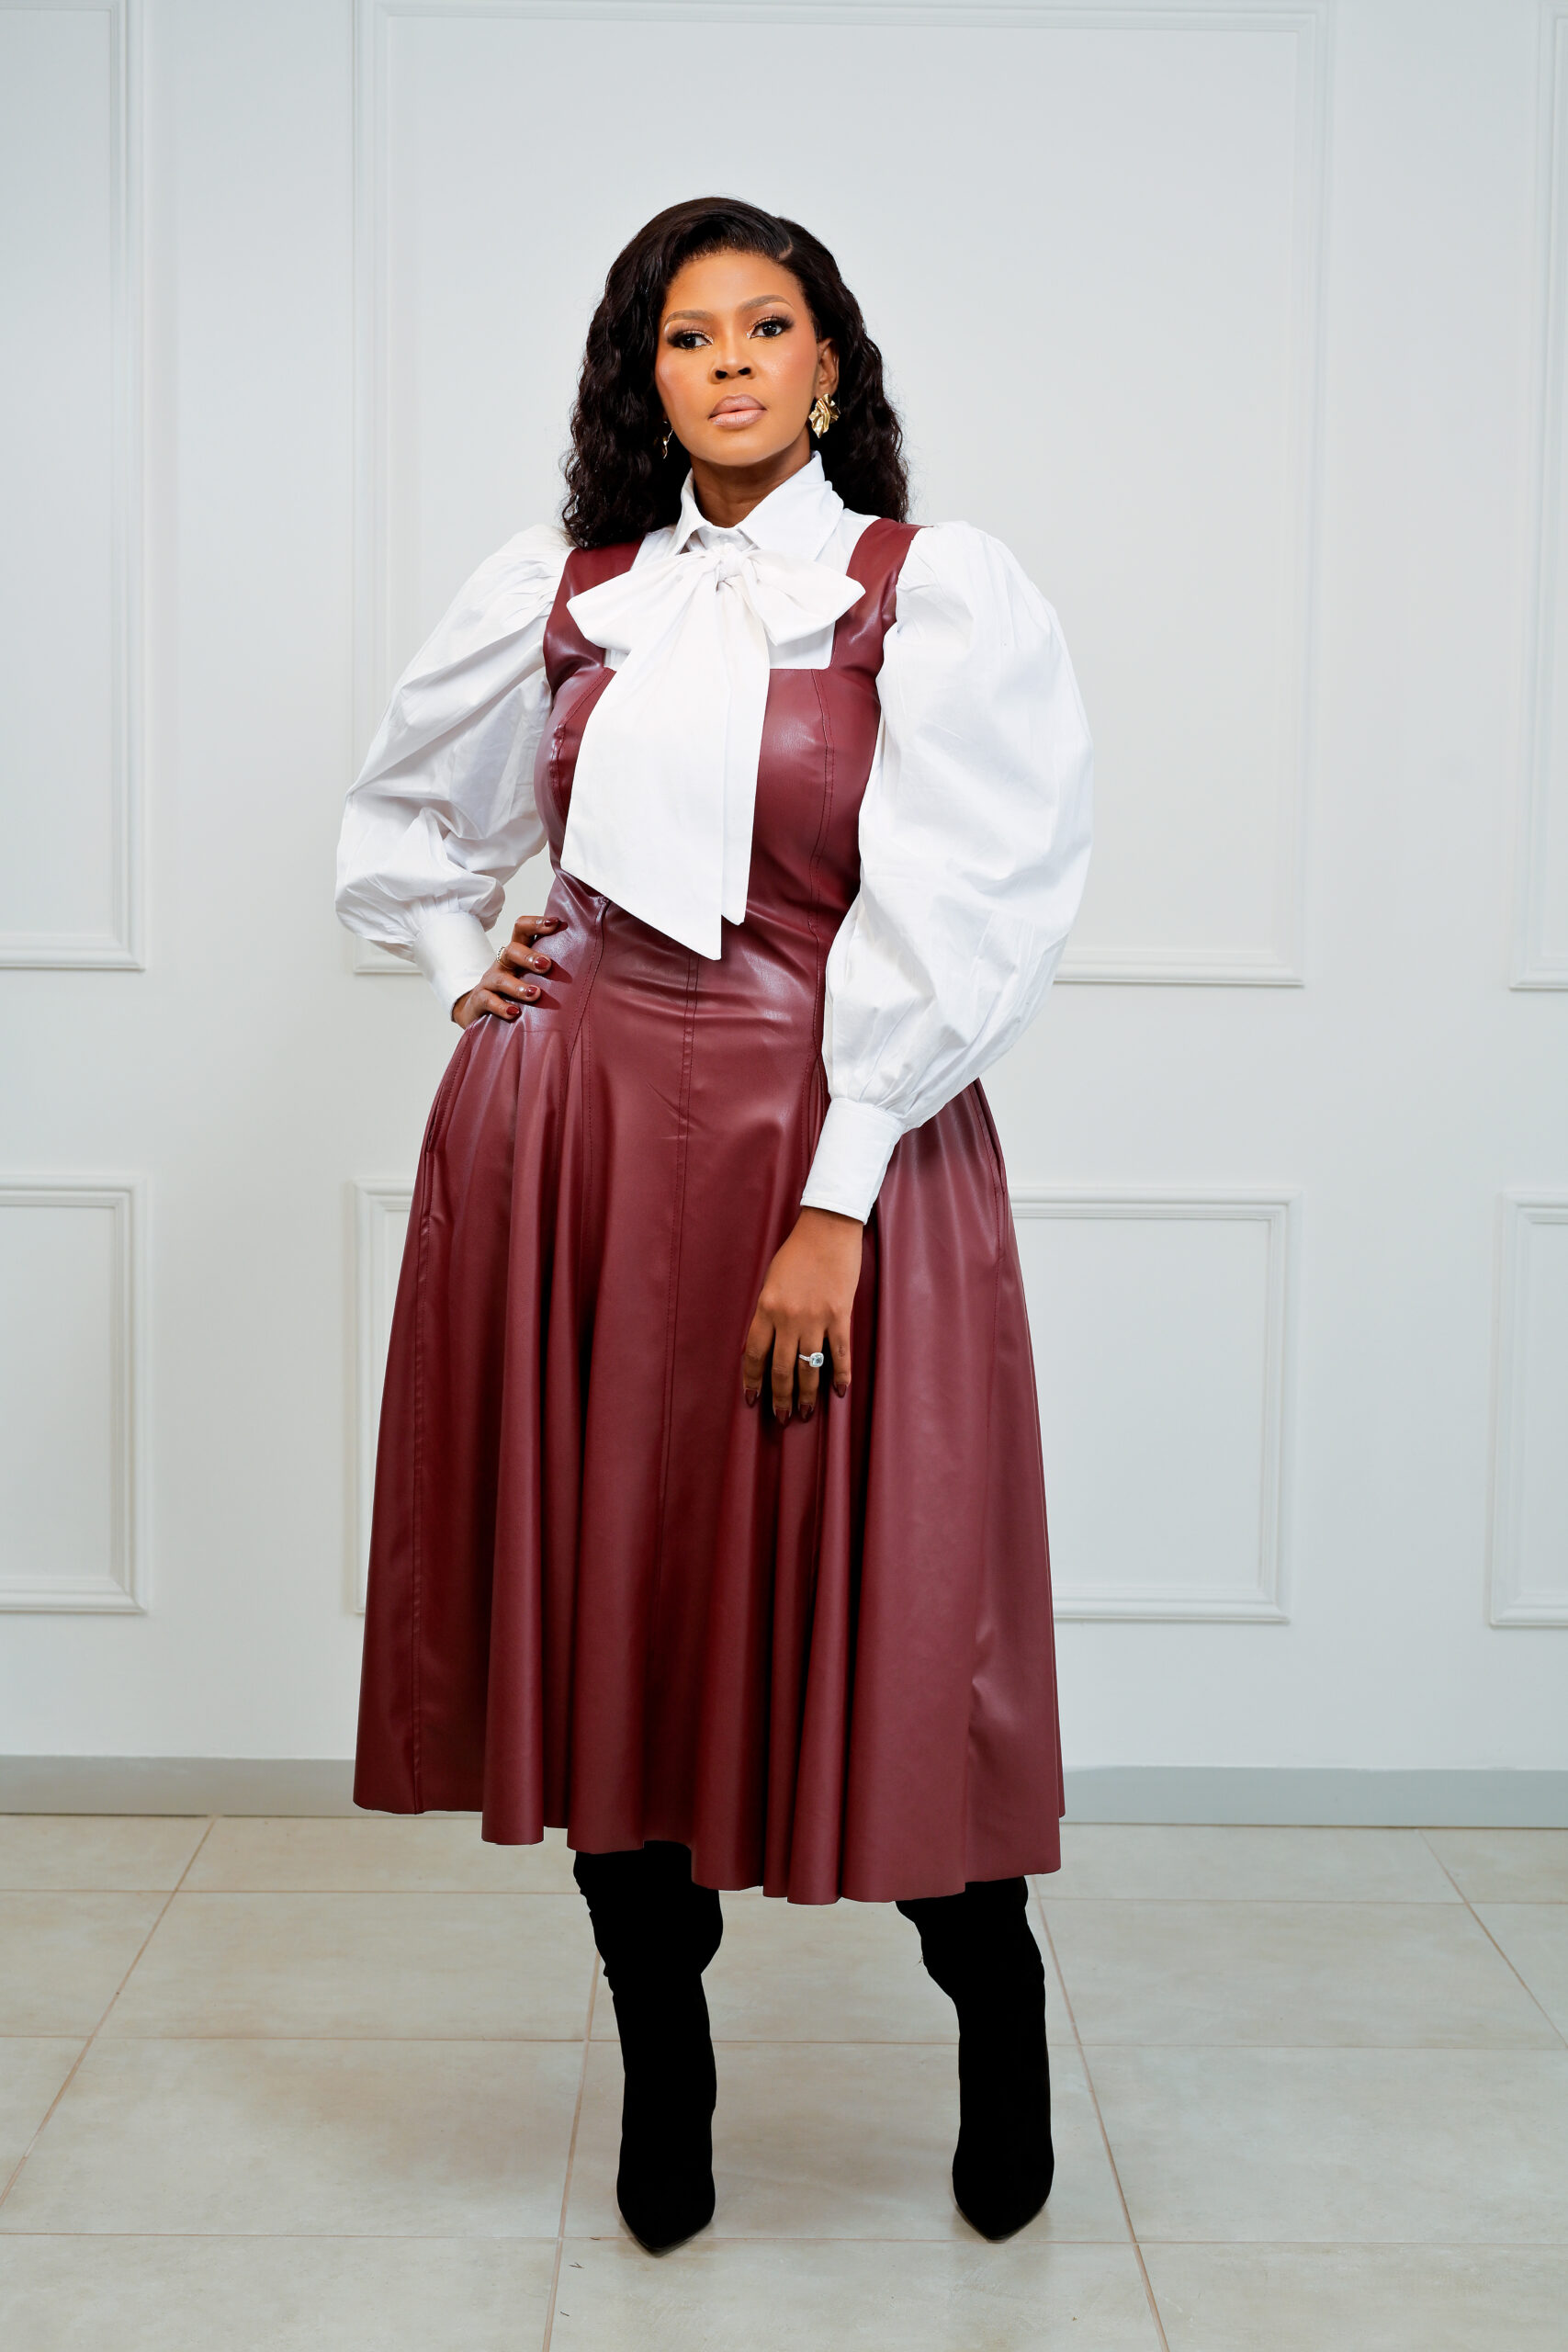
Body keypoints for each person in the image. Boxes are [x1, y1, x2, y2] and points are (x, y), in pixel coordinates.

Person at [335, 196, 1093, 2256]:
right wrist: (463, 967)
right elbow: (405, 821)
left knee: (889, 1592)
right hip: (573, 1146)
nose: (731, 363)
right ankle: (663, 2073)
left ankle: (995, 2004)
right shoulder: (566, 588)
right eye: (689, 335)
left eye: (768, 327)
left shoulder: (925, 592)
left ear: (828, 365)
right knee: (619, 1613)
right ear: (643, 375)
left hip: (833, 1136)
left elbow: (970, 911)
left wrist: (836, 1202)